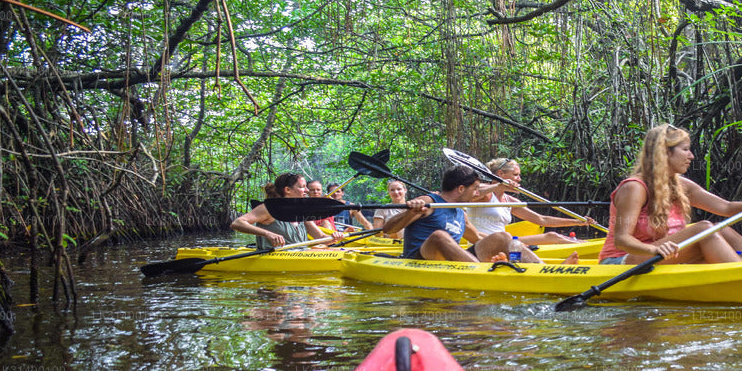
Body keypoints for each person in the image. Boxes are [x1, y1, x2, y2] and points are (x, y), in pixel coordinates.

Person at [599, 124, 742, 265]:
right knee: (703, 228)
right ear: (665, 153)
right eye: (685, 150)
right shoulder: (634, 188)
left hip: (661, 256)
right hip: (618, 262)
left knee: (719, 228)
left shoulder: (682, 185)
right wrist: (654, 249)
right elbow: (622, 240)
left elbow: (726, 208)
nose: (691, 156)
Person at [381, 166, 539, 262]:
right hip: (418, 260)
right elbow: (388, 229)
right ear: (461, 189)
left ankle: (546, 272)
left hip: (449, 262)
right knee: (439, 236)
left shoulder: (460, 213)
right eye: (475, 188)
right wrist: (410, 212)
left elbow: (477, 238)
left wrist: (514, 244)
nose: (478, 193)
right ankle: (479, 273)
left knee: (502, 237)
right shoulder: (429, 201)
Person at [467, 158, 590, 246]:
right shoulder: (485, 193)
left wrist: (578, 222)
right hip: (482, 243)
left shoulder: (510, 201)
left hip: (504, 242)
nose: (519, 179)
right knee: (553, 237)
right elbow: (473, 192)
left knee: (552, 236)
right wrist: (499, 185)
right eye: (515, 175)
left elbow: (542, 220)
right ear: (500, 174)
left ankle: (583, 244)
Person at [232, 173, 344, 250]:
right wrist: (267, 234)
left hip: (299, 263)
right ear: (288, 190)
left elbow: (320, 239)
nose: (307, 190)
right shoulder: (268, 208)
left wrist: (334, 237)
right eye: (302, 187)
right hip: (274, 264)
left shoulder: (302, 211)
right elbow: (237, 223)